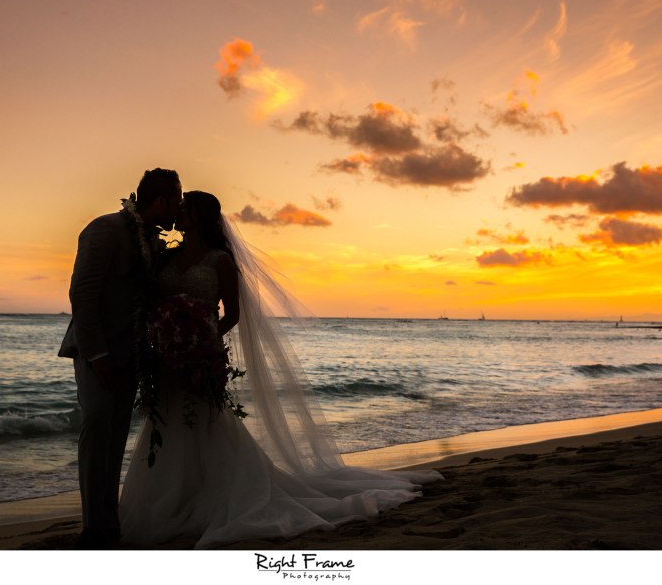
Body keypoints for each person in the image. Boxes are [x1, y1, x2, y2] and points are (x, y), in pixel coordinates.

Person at [118, 191, 442, 549]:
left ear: (199, 215)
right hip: (166, 359)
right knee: (167, 423)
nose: (178, 210)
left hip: (201, 357)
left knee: (203, 422)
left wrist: (202, 344)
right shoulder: (166, 255)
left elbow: (233, 314)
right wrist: (164, 340)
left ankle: (212, 497)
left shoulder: (220, 261)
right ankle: (171, 501)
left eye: (185, 207)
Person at [58, 168, 182, 549]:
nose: (179, 207)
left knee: (115, 438)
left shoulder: (153, 241)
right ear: (160, 201)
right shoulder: (104, 230)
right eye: (177, 200)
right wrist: (98, 357)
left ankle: (107, 524)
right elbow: (82, 296)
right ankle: (93, 526)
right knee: (96, 425)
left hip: (132, 355)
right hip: (97, 352)